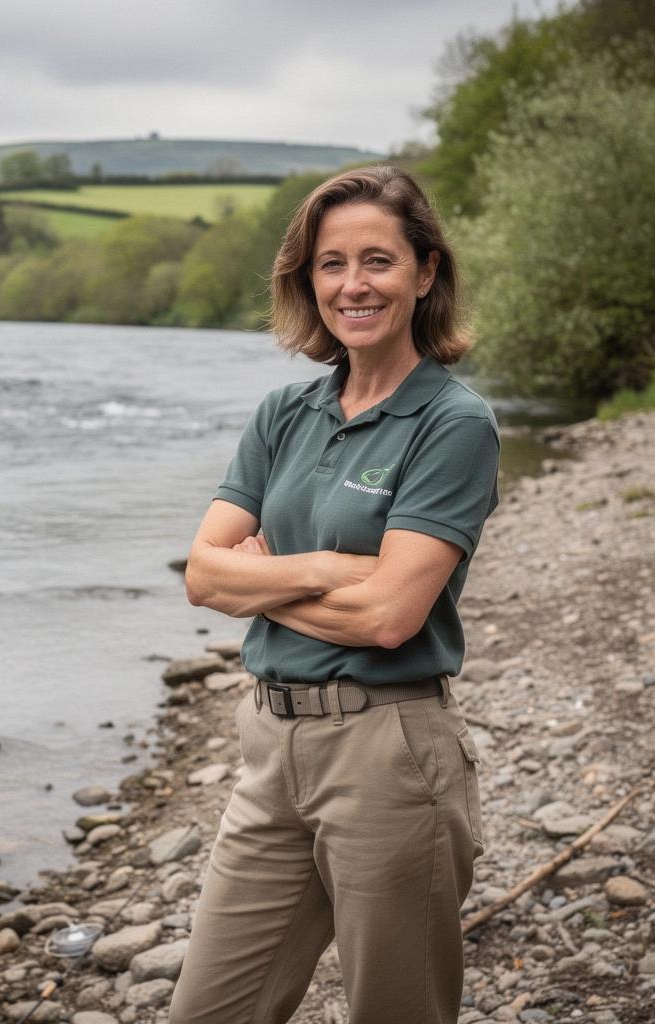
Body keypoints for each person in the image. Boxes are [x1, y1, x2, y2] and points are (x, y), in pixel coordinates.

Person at [168, 165, 499, 1024]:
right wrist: (325, 569)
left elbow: (390, 616)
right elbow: (202, 573)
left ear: (425, 272)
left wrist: (263, 577)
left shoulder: (452, 423)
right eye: (331, 263)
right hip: (268, 747)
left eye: (379, 261)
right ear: (306, 279)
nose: (353, 284)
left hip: (389, 753)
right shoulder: (284, 412)